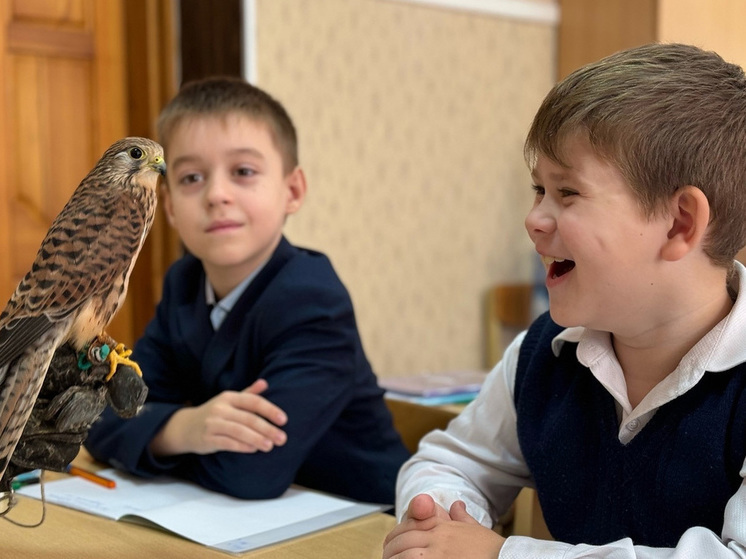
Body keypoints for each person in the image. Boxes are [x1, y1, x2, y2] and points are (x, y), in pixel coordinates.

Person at [383, 42, 746, 558]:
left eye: (567, 193)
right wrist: (438, 521)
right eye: (538, 190)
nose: (534, 219)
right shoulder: (544, 353)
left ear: (680, 222)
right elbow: (451, 461)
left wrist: (500, 555)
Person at [84, 76, 409, 505]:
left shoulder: (314, 299)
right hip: (235, 526)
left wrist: (158, 431)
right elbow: (104, 418)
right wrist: (187, 428)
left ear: (292, 191)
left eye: (243, 172)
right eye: (192, 177)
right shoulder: (184, 283)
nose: (217, 195)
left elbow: (251, 474)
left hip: (363, 525)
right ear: (170, 208)